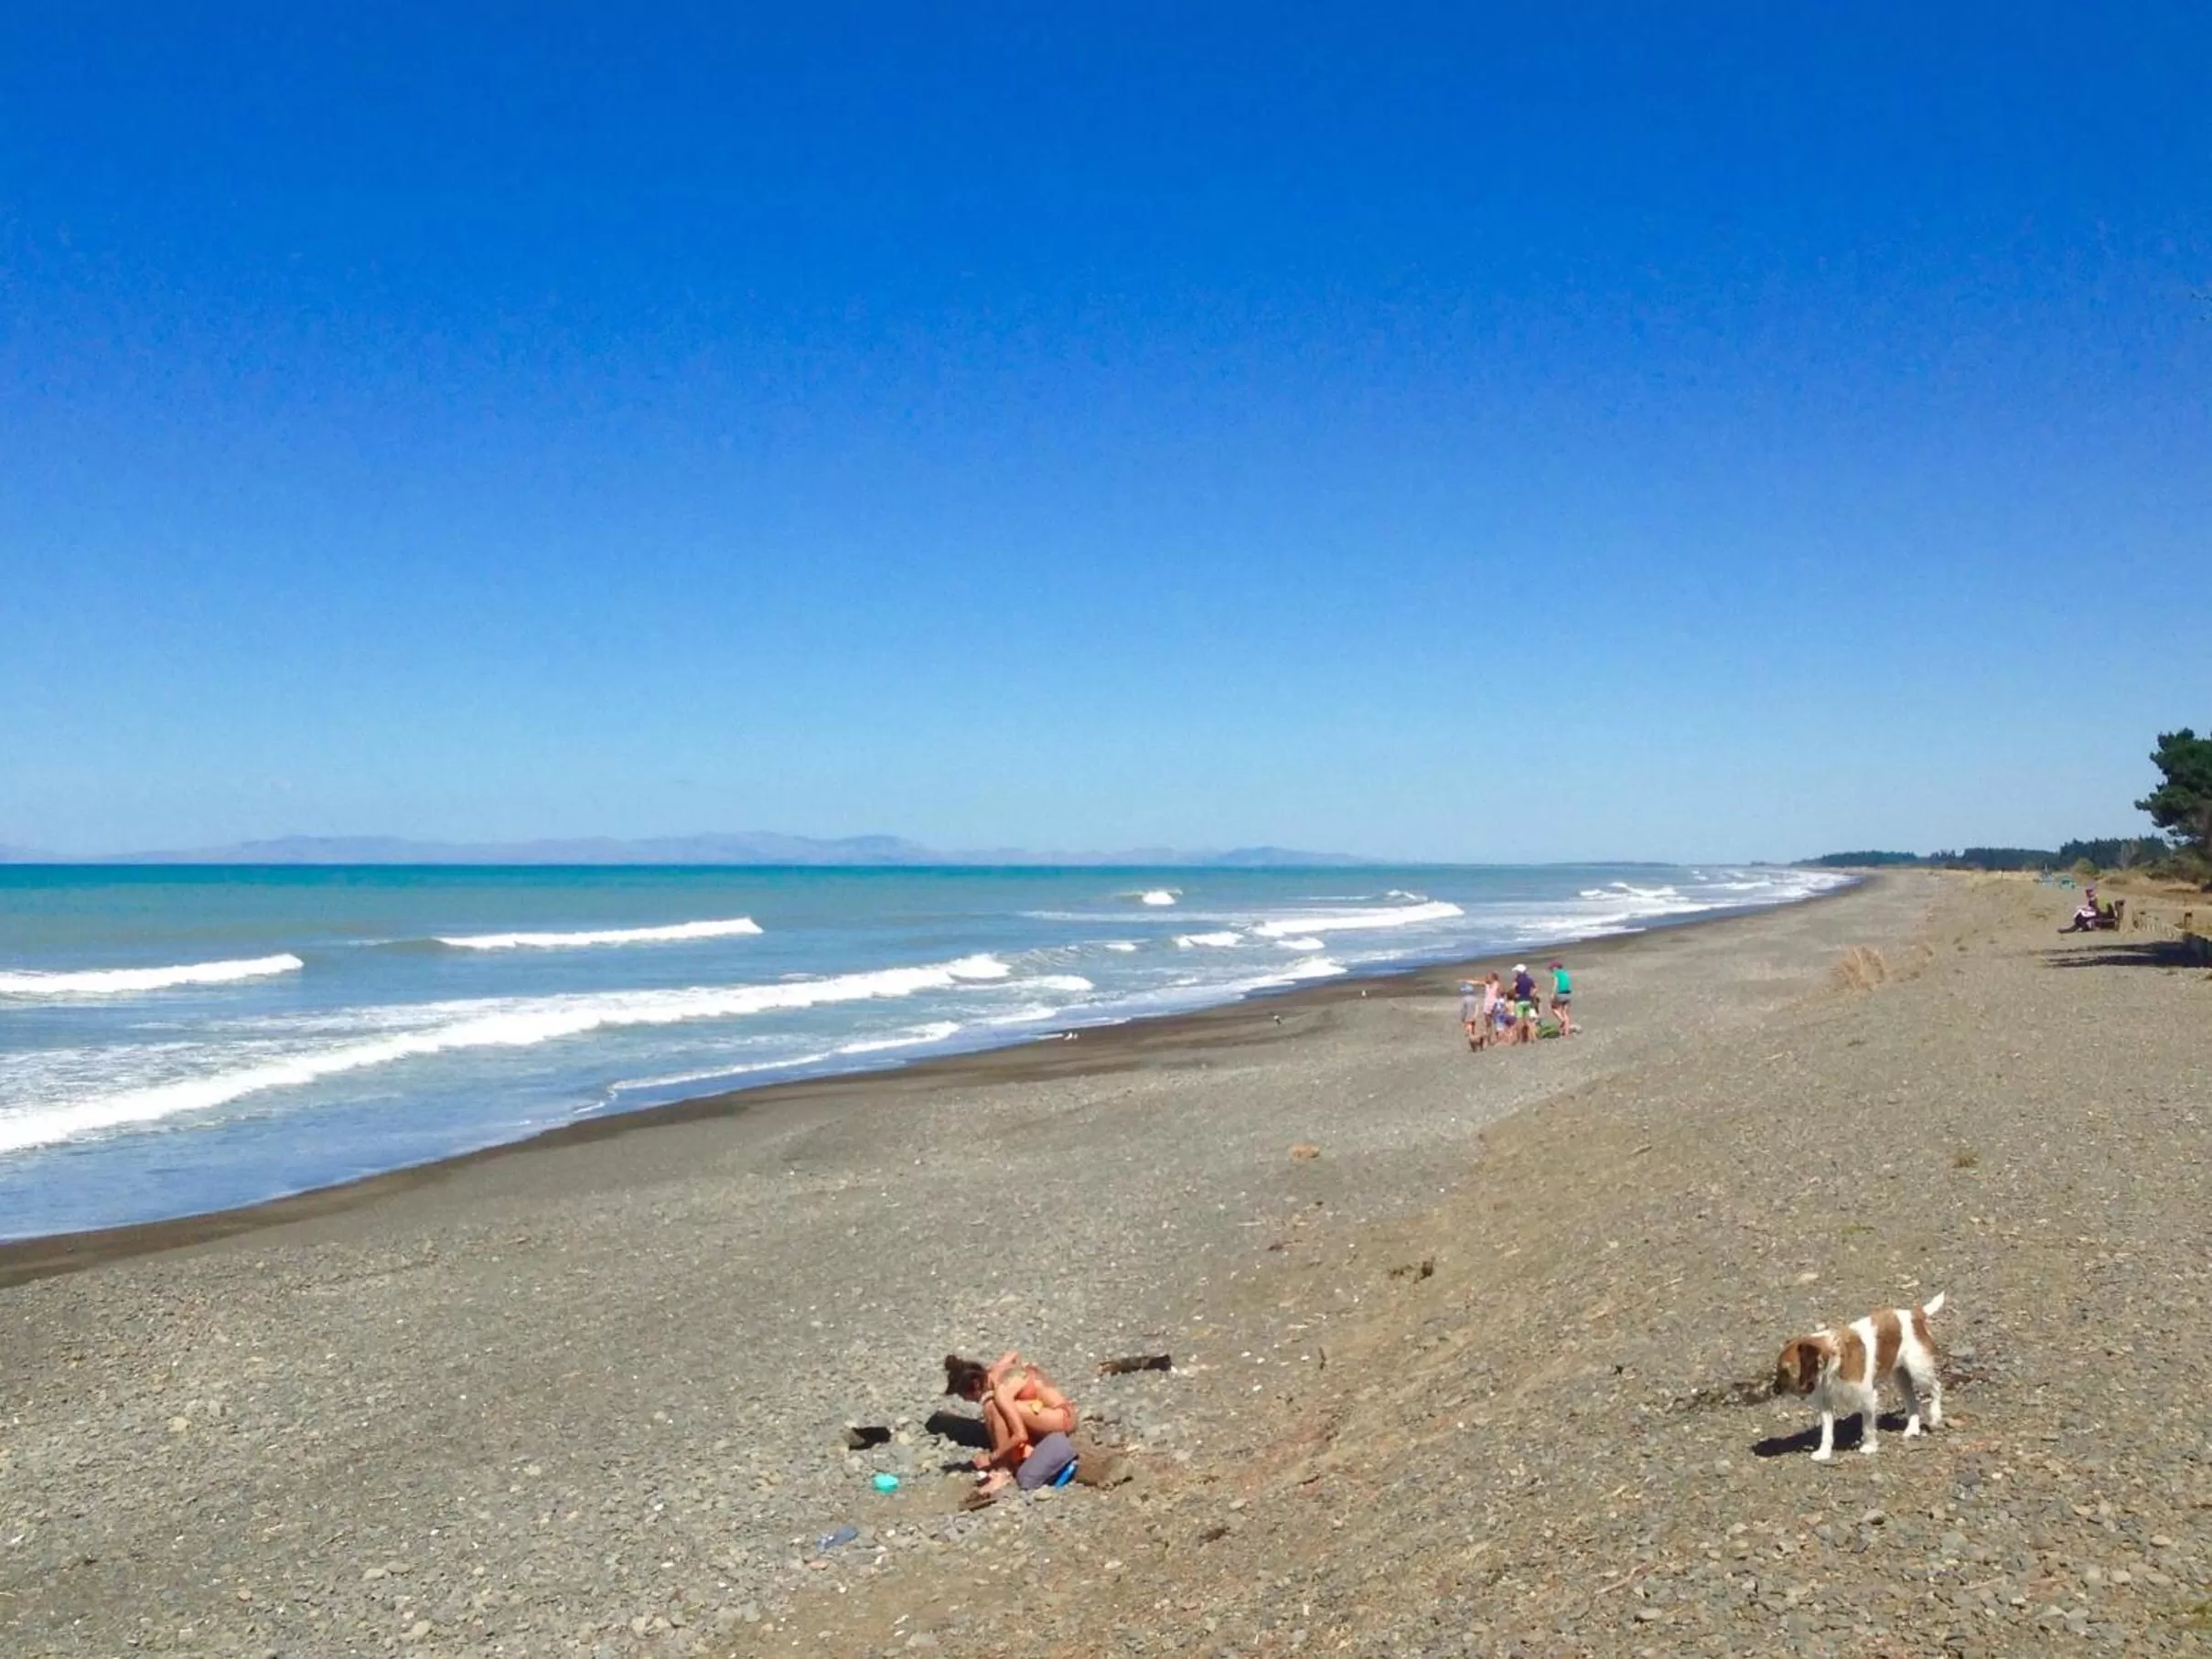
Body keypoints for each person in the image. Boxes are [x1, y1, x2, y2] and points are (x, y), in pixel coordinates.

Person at [945, 1351, 1079, 1493]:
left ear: (976, 1386)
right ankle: (1015, 1456)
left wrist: (991, 1458)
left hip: (1064, 1417)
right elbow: (1014, 1354)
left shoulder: (1001, 1393)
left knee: (993, 1407)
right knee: (1001, 1408)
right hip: (1049, 1411)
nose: (966, 1400)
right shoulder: (996, 1369)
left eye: (964, 1396)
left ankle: (1003, 1471)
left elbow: (1020, 1435)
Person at [1549, 959, 1574, 1036]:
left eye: (1552, 968)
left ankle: (1562, 1020)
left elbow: (1555, 984)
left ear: (1556, 968)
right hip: (1568, 994)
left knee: (1553, 1008)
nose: (1551, 970)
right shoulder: (1566, 973)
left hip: (1561, 994)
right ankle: (1566, 1032)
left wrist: (1552, 994)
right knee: (1565, 1013)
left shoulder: (1556, 974)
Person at [1459, 982, 1484, 1051]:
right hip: (1474, 1017)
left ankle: (1474, 1046)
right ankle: (1478, 1044)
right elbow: (1477, 1008)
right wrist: (1476, 1015)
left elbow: (1463, 1010)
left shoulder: (1464, 999)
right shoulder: (1475, 999)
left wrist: (1462, 1018)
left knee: (1470, 1033)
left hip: (1467, 1017)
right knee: (1474, 1030)